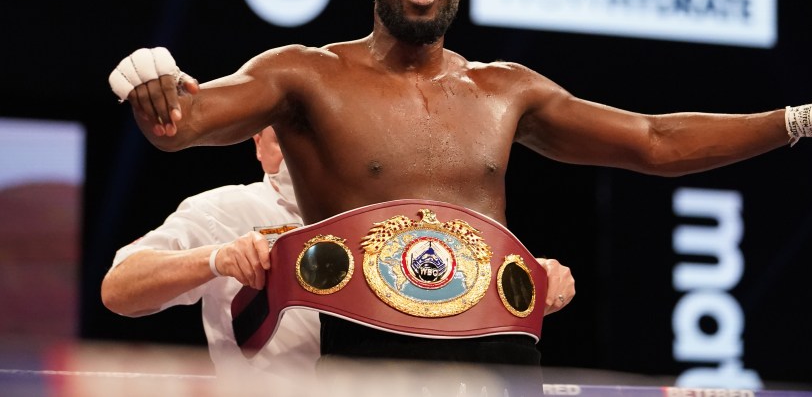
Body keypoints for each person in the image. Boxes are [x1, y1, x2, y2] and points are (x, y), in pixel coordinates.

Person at [108, 0, 812, 392]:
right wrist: (154, 86)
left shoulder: (507, 90)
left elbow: (655, 142)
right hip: (371, 365)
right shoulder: (304, 75)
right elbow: (184, 123)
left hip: (501, 364)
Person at [100, 125, 576, 379]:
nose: (303, 146)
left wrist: (534, 280)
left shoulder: (389, 219)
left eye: (316, 132)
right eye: (284, 132)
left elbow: (458, 289)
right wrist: (215, 259)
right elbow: (119, 288)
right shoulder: (226, 208)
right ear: (259, 147)